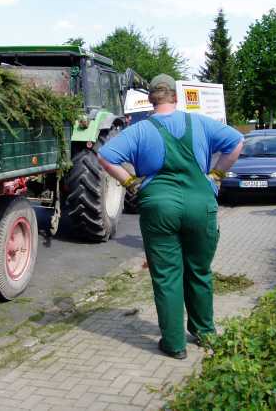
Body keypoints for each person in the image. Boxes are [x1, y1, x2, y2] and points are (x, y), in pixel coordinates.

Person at [97, 74, 243, 359]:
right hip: (201, 203)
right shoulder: (198, 122)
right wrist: (216, 175)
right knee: (199, 271)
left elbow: (105, 156)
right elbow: (237, 142)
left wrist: (130, 183)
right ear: (176, 95)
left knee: (166, 276)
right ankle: (204, 333)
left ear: (150, 98)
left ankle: (175, 345)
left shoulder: (139, 130)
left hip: (158, 206)